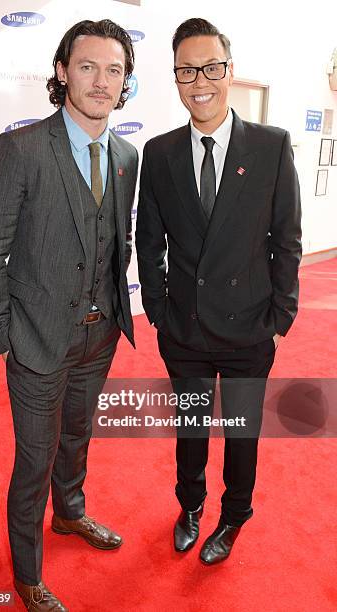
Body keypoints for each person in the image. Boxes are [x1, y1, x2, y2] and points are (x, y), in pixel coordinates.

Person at [0, 19, 138, 610]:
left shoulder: (125, 153)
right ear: (63, 72)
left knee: (77, 438)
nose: (100, 80)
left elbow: (116, 240)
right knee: (33, 460)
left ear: (125, 83)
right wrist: (2, 335)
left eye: (114, 70)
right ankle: (27, 573)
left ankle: (70, 515)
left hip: (100, 336)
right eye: (88, 66)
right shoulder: (20, 149)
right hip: (37, 340)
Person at [136, 18, 301, 566]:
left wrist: (281, 313)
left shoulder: (272, 146)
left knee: (241, 433)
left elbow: (287, 237)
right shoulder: (158, 154)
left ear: (230, 72)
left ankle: (234, 516)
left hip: (250, 326)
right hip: (184, 328)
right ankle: (189, 506)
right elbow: (149, 238)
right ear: (176, 78)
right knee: (190, 430)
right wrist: (158, 308)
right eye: (186, 70)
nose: (198, 80)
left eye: (210, 67)